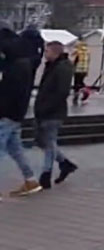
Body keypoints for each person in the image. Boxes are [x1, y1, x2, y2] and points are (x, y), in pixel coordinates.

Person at [33, 41, 78, 189]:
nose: (45, 54)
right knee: (47, 142)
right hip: (46, 111)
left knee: (49, 142)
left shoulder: (62, 68)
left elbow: (61, 92)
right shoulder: (52, 66)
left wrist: (46, 107)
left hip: (53, 112)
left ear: (55, 52)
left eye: (47, 51)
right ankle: (65, 164)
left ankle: (46, 175)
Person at [0, 35, 41, 196]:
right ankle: (31, 180)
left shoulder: (13, 69)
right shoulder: (24, 65)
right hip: (16, 115)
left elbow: (6, 94)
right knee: (16, 150)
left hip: (6, 115)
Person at [71, 40, 91, 106]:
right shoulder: (87, 52)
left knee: (77, 84)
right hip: (84, 70)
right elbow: (88, 61)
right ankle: (85, 92)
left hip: (77, 70)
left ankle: (76, 96)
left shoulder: (77, 52)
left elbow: (74, 61)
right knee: (81, 82)